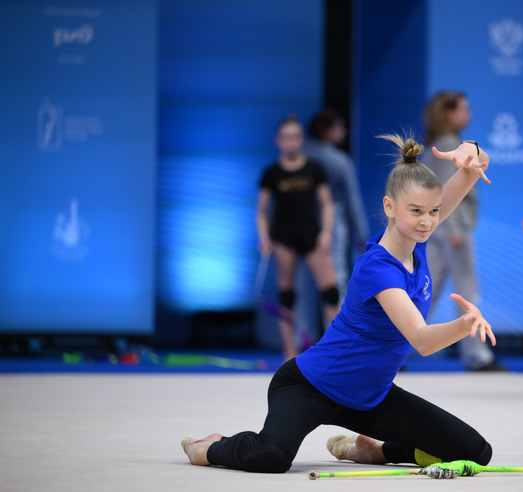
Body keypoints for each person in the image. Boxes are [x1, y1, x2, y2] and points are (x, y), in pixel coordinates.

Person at [182, 137, 496, 473]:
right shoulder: (378, 267)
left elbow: (475, 169)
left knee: (474, 451)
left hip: (369, 397)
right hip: (310, 387)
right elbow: (421, 340)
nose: (428, 221)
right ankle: (211, 447)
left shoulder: (416, 238)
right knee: (269, 457)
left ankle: (373, 451)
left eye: (434, 211)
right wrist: (464, 325)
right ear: (389, 207)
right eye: (416, 211)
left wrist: (472, 148)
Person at [423, 91, 504, 372]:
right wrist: (454, 228)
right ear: (448, 113)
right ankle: (477, 356)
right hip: (451, 231)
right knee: (467, 292)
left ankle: (390, 350)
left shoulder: (437, 143)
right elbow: (448, 192)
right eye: (463, 109)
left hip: (438, 231)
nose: (468, 114)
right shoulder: (448, 144)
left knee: (425, 294)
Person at [256, 115, 341, 361]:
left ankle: (335, 350)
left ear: (301, 139)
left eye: (295, 137)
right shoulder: (271, 173)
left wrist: (326, 232)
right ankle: (289, 352)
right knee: (287, 296)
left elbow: (327, 205)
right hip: (284, 238)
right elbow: (261, 212)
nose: (291, 142)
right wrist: (264, 238)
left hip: (312, 236)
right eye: (286, 137)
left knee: (331, 292)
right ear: (278, 141)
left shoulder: (314, 169)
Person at [303, 109, 370, 304]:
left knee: (304, 281)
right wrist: (361, 231)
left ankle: (301, 334)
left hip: (302, 221)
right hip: (333, 221)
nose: (344, 131)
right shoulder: (339, 160)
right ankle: (337, 331)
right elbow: (352, 198)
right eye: (338, 127)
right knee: (335, 275)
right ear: (324, 130)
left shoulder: (301, 155)